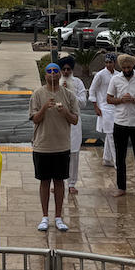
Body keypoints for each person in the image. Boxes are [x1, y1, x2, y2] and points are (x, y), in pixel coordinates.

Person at [30, 63, 78, 231]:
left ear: (60, 75)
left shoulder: (68, 95)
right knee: (44, 181)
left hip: (61, 145)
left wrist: (63, 112)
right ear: (45, 76)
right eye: (49, 72)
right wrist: (45, 107)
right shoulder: (38, 94)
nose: (52, 74)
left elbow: (75, 120)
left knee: (59, 181)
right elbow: (35, 119)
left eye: (55, 72)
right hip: (42, 145)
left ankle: (58, 216)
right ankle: (44, 216)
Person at [107, 54, 135, 200]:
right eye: (124, 67)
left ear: (133, 66)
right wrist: (121, 100)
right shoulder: (115, 79)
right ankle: (121, 187)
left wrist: (134, 100)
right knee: (120, 157)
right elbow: (109, 98)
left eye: (129, 67)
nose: (126, 69)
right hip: (119, 122)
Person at [57, 56, 87, 195]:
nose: (66, 72)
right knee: (58, 154)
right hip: (58, 123)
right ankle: (59, 181)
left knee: (73, 154)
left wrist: (69, 92)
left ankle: (71, 183)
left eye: (69, 69)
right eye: (64, 69)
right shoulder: (55, 82)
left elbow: (83, 103)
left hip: (73, 122)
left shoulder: (78, 83)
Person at [88, 53, 119, 167]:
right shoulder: (100, 75)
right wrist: (96, 106)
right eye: (106, 62)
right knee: (111, 134)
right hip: (104, 107)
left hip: (115, 107)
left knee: (110, 133)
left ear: (115, 63)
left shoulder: (118, 75)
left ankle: (107, 159)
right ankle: (117, 162)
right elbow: (92, 90)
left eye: (110, 62)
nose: (108, 64)